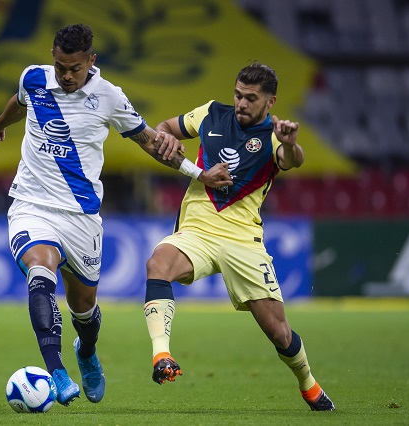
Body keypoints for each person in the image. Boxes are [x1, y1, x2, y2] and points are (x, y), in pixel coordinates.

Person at [0, 24, 231, 407]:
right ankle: (57, 372)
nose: (67, 76)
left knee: (84, 310)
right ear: (52, 57)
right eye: (61, 67)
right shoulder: (34, 78)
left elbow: (151, 142)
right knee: (40, 272)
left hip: (81, 218)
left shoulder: (109, 97)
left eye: (75, 68)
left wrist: (199, 175)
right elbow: (19, 102)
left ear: (91, 61)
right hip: (32, 205)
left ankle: (86, 351)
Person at [143, 61, 336, 411]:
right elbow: (166, 128)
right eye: (238, 95)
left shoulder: (275, 136)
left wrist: (291, 143)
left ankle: (309, 384)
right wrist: (164, 135)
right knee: (158, 264)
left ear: (270, 102)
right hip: (197, 230)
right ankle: (162, 356)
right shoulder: (211, 114)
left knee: (279, 332)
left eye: (250, 98)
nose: (241, 103)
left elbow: (292, 159)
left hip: (242, 240)